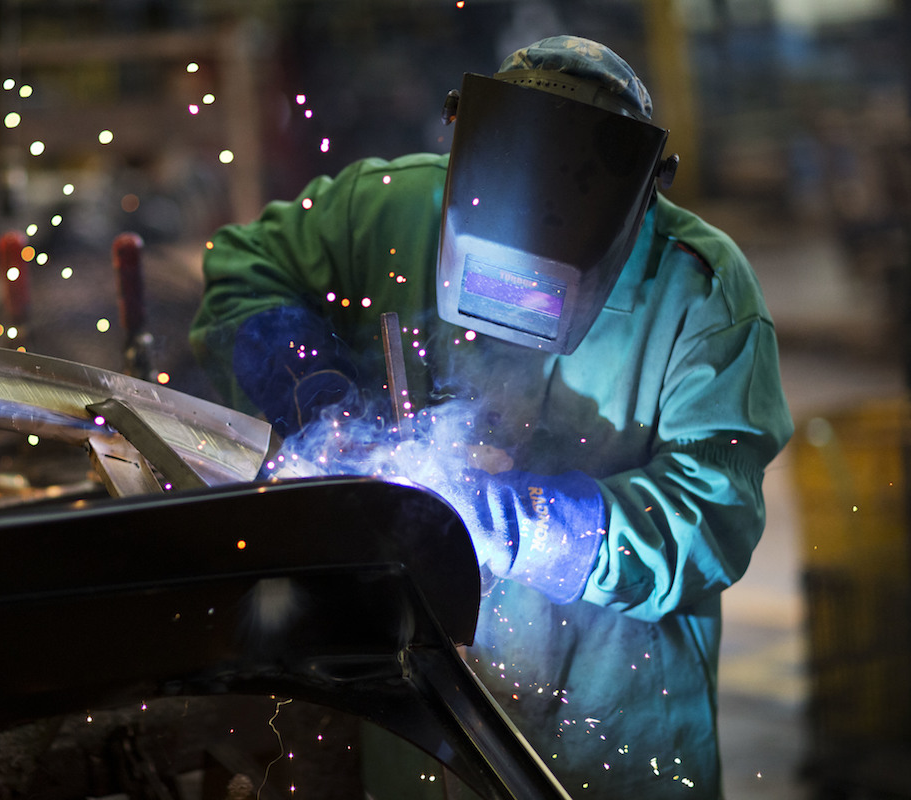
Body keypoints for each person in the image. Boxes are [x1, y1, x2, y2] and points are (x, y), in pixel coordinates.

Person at [189, 35, 793, 799]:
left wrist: (514, 523)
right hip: (414, 712)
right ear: (461, 143)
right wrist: (318, 396)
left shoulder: (705, 297)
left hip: (610, 730)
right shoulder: (385, 207)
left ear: (648, 192)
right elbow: (244, 272)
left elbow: (713, 519)